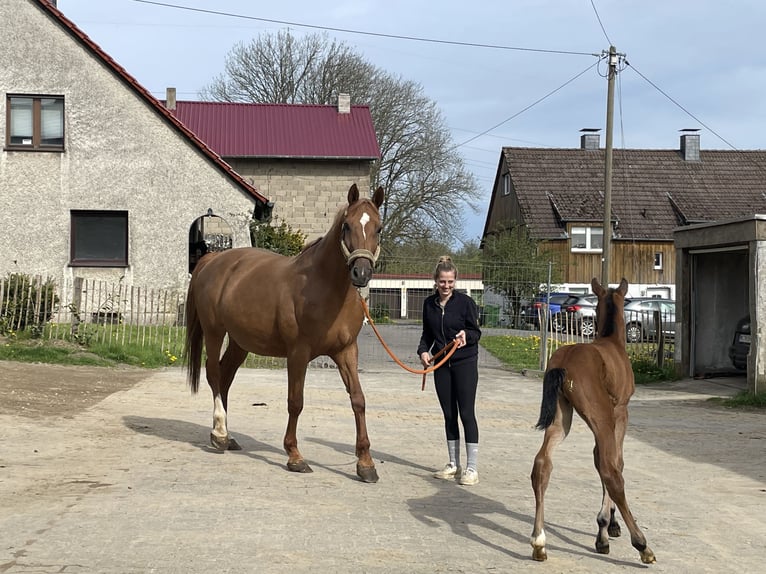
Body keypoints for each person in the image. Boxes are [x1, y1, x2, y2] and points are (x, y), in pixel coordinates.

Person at [417, 255, 482, 486]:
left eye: (450, 282)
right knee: (448, 415)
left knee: (466, 414)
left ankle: (472, 468)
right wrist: (423, 352)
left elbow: (476, 333)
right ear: (435, 281)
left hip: (464, 363)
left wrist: (467, 336)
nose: (446, 286)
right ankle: (454, 464)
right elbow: (427, 334)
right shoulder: (429, 304)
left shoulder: (465, 303)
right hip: (441, 365)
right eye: (442, 282)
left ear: (455, 281)